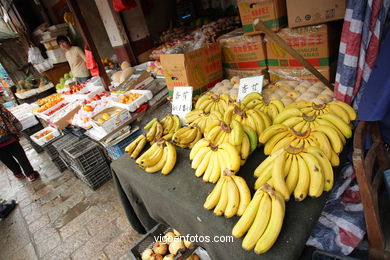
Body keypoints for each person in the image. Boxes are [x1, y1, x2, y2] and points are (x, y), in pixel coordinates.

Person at [0, 102, 39, 181]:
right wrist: (17, 127)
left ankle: (18, 174)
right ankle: (30, 174)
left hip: (7, 138)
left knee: (6, 159)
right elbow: (9, 115)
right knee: (20, 155)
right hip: (9, 136)